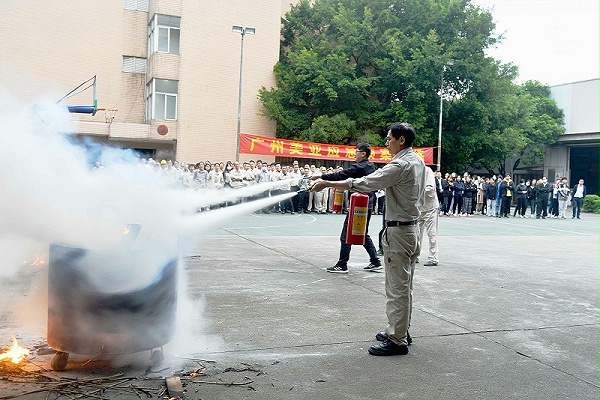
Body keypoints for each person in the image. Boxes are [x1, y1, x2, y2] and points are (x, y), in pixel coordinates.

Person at [311, 122, 426, 356]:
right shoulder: (417, 160)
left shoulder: (400, 165)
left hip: (400, 231)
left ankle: (397, 340)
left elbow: (366, 183)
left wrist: (327, 183)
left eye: (389, 137)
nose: (386, 141)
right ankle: (401, 329)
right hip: (410, 229)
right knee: (404, 286)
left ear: (401, 140)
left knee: (397, 289)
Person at [311, 143, 381, 273]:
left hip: (360, 203)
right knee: (362, 232)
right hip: (368, 203)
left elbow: (342, 175)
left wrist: (321, 177)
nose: (355, 154)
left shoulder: (360, 167)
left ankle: (342, 264)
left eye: (356, 152)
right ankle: (375, 261)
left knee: (347, 232)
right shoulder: (370, 166)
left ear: (363, 153)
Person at [418, 167, 439, 266]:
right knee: (417, 233)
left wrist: (416, 192)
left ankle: (433, 258)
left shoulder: (427, 171)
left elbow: (430, 188)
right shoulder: (412, 171)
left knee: (432, 233)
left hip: (430, 207)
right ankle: (415, 255)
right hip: (419, 208)